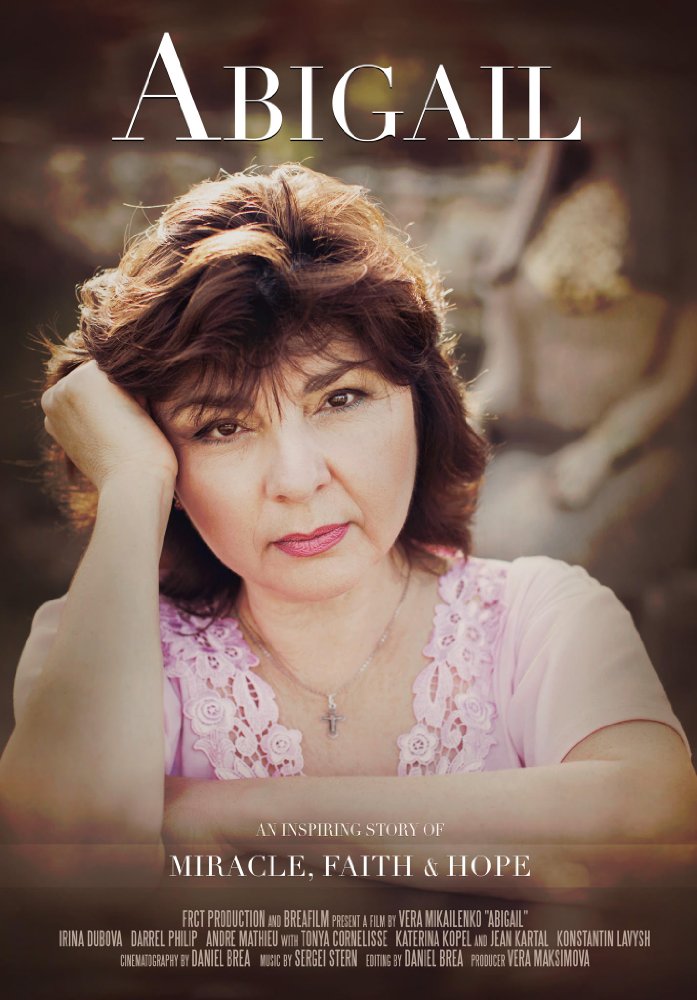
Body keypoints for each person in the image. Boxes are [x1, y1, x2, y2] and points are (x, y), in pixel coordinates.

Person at [1, 164, 695, 892]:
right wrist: (130, 481)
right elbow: (66, 869)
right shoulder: (91, 648)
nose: (297, 479)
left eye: (340, 399)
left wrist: (222, 815)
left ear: (420, 406)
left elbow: (654, 825)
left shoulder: (542, 617)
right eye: (222, 427)